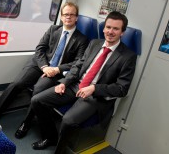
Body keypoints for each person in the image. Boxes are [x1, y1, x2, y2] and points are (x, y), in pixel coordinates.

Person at [31, 11, 137, 152]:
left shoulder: (128, 56)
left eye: (116, 29)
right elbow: (78, 66)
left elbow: (122, 89)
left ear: (122, 32)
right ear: (104, 28)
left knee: (68, 121)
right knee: (37, 101)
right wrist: (64, 82)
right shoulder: (94, 43)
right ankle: (51, 137)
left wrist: (94, 88)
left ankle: (59, 151)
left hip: (95, 95)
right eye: (108, 27)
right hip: (75, 85)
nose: (110, 32)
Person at [0, 2, 90, 127]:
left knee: (38, 90)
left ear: (76, 18)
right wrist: (44, 67)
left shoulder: (82, 39)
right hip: (40, 64)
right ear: (61, 16)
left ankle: (26, 123)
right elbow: (40, 49)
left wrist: (56, 69)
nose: (68, 17)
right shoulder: (53, 29)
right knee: (17, 84)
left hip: (56, 71)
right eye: (65, 14)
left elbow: (77, 62)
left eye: (71, 14)